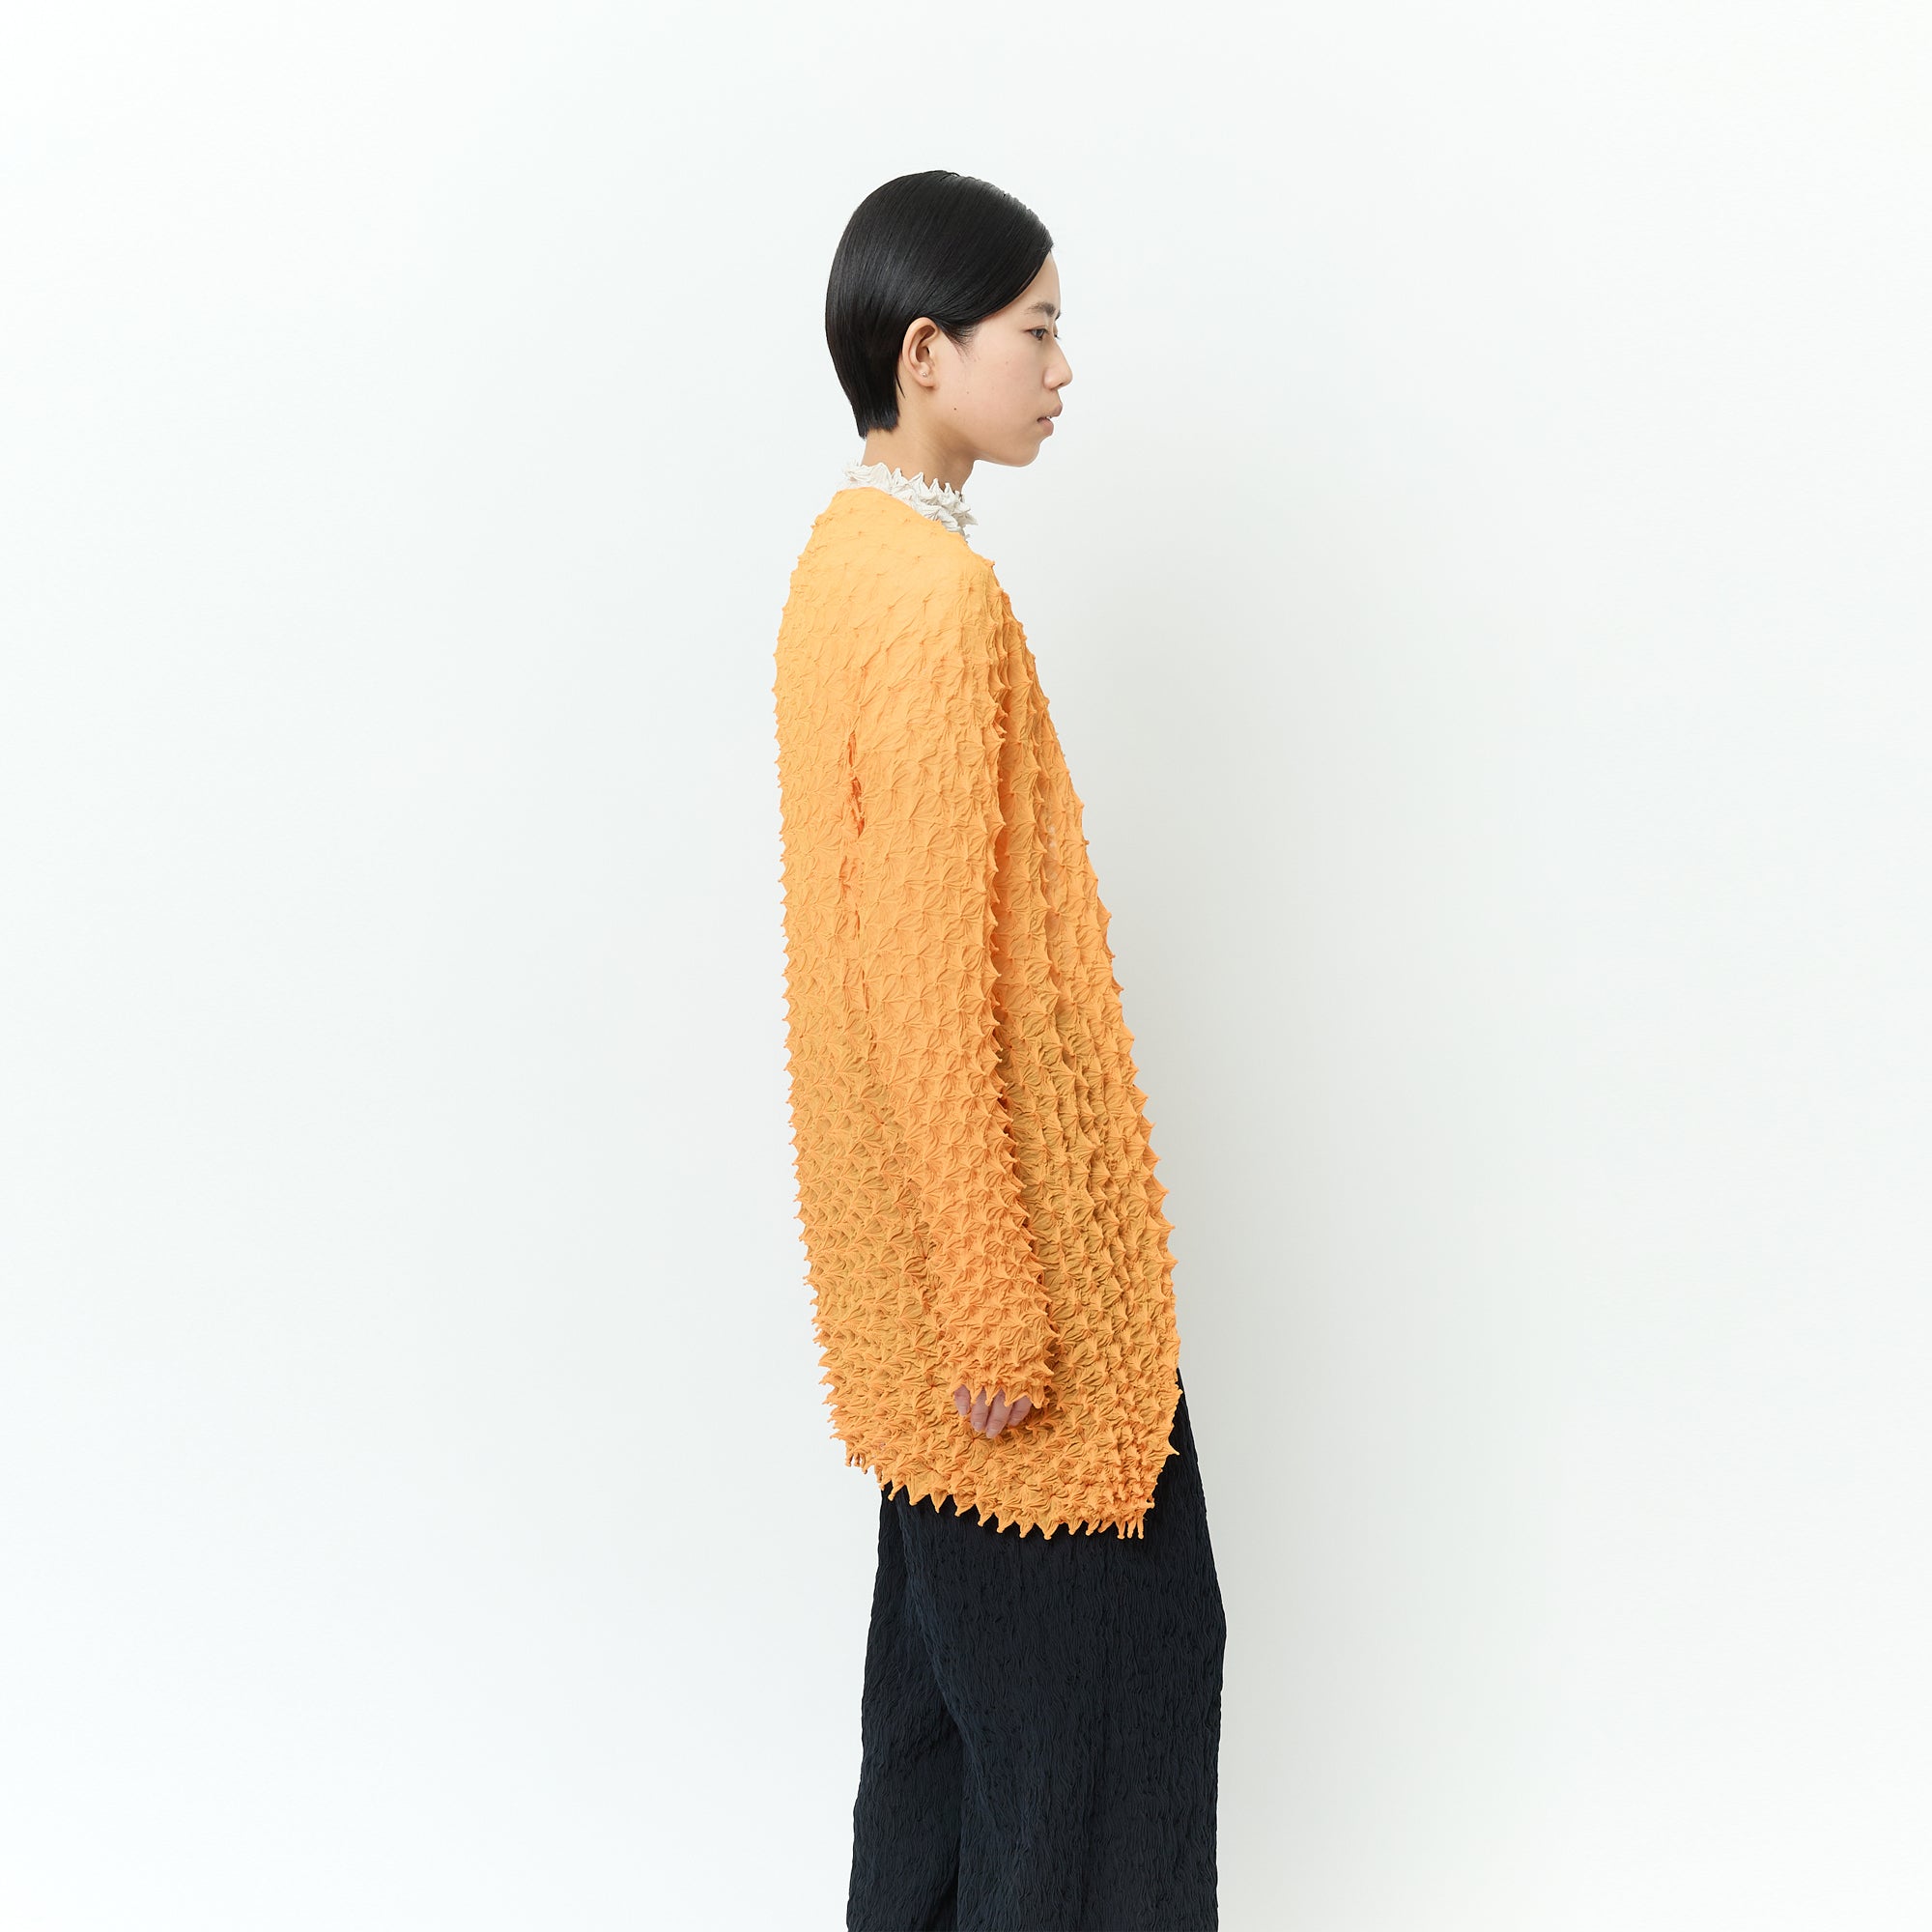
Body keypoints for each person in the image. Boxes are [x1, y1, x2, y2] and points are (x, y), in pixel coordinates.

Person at [771, 171, 1226, 1932]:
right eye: (1034, 330)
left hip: (908, 1269)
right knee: (1105, 1710)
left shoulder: (844, 567)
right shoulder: (933, 606)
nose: (1061, 367)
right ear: (924, 352)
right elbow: (915, 978)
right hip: (1002, 1293)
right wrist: (992, 1303)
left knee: (945, 1727)